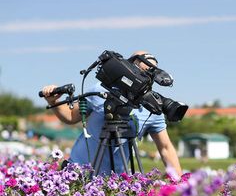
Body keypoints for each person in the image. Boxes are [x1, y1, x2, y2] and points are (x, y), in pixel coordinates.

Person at [41, 50, 182, 177]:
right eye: (143, 71)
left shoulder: (152, 108)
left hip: (113, 183)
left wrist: (179, 183)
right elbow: (71, 116)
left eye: (151, 73)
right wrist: (53, 102)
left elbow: (166, 148)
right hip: (77, 173)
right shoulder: (100, 90)